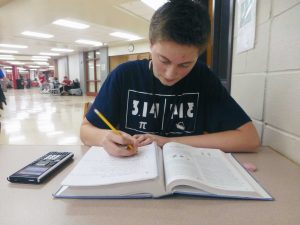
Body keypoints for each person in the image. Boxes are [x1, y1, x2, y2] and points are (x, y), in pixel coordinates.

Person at [80, 0, 260, 157]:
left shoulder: (203, 78)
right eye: (163, 60)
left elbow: (249, 139)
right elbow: (85, 130)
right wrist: (105, 138)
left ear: (198, 55)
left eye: (185, 65)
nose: (170, 74)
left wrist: (168, 141)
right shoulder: (124, 75)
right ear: (150, 44)